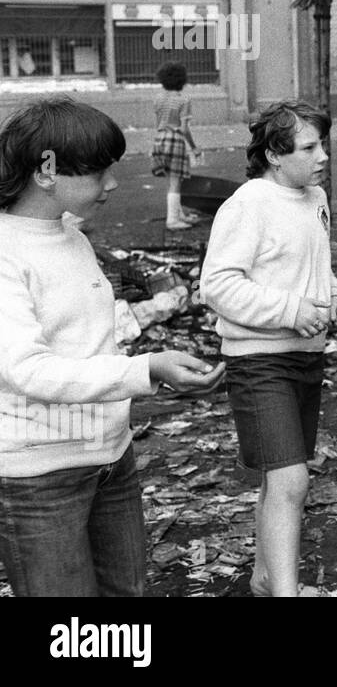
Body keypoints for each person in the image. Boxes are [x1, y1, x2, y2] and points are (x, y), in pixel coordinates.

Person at [0, 97, 219, 596]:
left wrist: (148, 367)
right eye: (99, 171)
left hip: (110, 458)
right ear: (47, 169)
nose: (113, 183)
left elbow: (85, 342)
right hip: (39, 476)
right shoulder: (6, 252)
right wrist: (146, 370)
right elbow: (28, 370)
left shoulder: (70, 237)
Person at [200, 100, 337, 597]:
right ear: (273, 154)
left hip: (307, 356)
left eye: (323, 144)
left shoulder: (314, 198)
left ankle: (266, 578)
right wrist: (291, 310)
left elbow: (317, 266)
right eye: (309, 147)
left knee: (276, 479)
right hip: (257, 361)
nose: (324, 156)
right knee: (292, 482)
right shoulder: (248, 205)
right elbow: (217, 285)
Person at [151, 62, 203, 230]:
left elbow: (158, 122)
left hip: (159, 139)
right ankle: (172, 220)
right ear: (182, 80)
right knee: (176, 182)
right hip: (175, 140)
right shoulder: (184, 100)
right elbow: (183, 128)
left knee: (171, 180)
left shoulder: (158, 99)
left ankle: (178, 214)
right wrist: (194, 148)